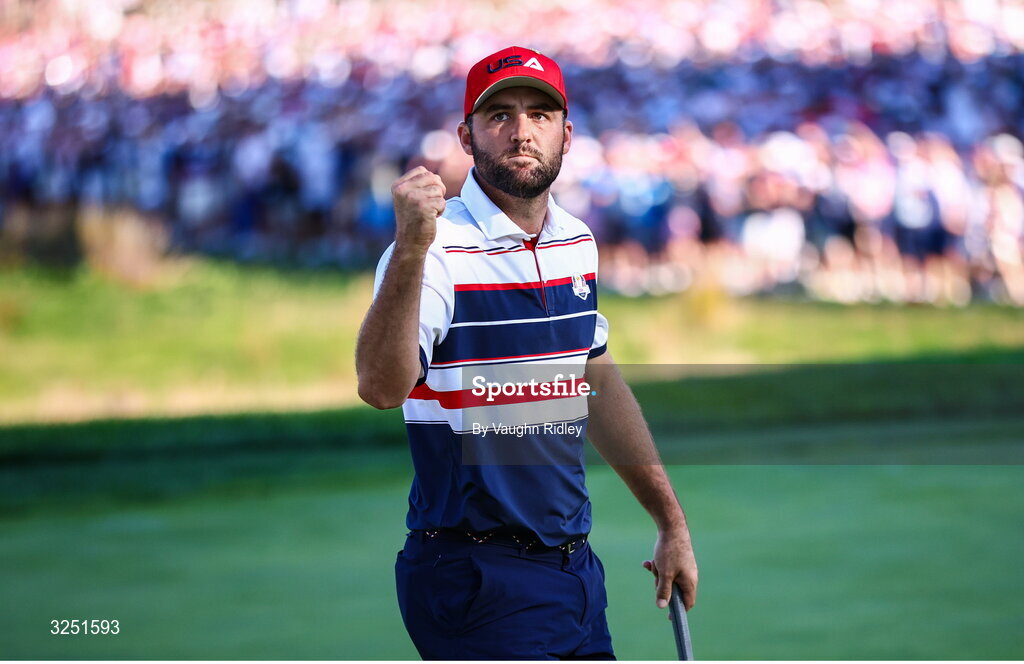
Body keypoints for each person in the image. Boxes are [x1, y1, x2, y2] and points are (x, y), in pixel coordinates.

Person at [355, 46, 698, 660]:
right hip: (475, 573)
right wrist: (409, 249)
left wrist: (670, 522)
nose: (521, 132)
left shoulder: (576, 242)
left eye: (540, 115)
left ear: (567, 135)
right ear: (467, 136)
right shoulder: (434, 251)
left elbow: (596, 381)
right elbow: (382, 387)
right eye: (500, 116)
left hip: (573, 569)